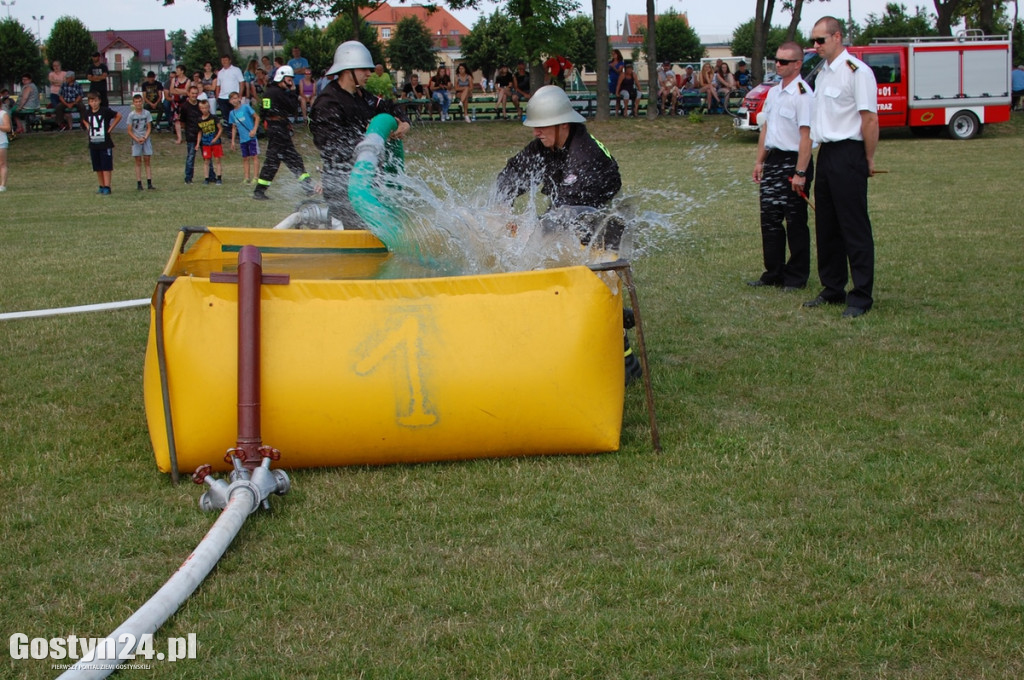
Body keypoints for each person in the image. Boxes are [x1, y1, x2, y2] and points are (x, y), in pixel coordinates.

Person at [496, 86, 639, 383]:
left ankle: (626, 366)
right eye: (533, 126)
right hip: (569, 215)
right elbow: (512, 174)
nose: (535, 132)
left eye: (541, 126)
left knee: (591, 288)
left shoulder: (585, 158)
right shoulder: (547, 143)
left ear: (563, 124)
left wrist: (527, 232)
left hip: (603, 226)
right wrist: (502, 206)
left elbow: (562, 219)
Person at [804, 16, 879, 319]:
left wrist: (868, 158)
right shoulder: (822, 73)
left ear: (837, 37)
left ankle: (860, 295)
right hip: (827, 154)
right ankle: (832, 287)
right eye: (813, 40)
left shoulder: (857, 72)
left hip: (849, 152)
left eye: (820, 40)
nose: (815, 46)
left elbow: (870, 119)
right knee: (827, 225)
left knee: (853, 226)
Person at [309, 40, 410, 223]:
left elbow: (390, 107)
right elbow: (332, 146)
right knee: (360, 230)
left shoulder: (363, 97)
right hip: (344, 187)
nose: (369, 74)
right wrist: (367, 138)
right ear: (349, 71)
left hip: (371, 178)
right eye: (364, 69)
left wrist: (403, 123)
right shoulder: (328, 103)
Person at [748, 41, 815, 291]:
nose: (778, 64)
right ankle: (773, 272)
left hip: (795, 160)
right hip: (774, 159)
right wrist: (759, 161)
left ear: (798, 64)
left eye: (784, 61)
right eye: (776, 60)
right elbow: (767, 128)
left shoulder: (803, 94)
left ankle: (796, 277)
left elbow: (806, 136)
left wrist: (800, 172)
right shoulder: (774, 92)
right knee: (770, 219)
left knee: (795, 220)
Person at [253, 65, 314, 200]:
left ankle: (307, 186)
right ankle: (259, 191)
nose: (291, 82)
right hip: (278, 129)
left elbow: (263, 111)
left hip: (277, 127)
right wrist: (293, 92)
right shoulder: (278, 93)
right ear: (281, 77)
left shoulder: (270, 92)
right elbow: (292, 107)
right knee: (274, 160)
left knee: (292, 158)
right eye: (289, 79)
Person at [84, 91, 122, 195]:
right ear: (89, 102)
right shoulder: (88, 113)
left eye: (96, 101)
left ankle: (107, 186)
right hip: (93, 143)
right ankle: (101, 185)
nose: (94, 103)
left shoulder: (105, 111)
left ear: (99, 101)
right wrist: (88, 128)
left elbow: (118, 115)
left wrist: (110, 128)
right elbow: (84, 120)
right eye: (91, 101)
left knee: (106, 166)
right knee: (98, 167)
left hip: (105, 143)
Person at [228, 91, 261, 184]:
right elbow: (234, 127)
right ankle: (246, 177)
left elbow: (257, 117)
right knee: (245, 158)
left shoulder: (246, 107)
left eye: (235, 98)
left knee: (254, 156)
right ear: (230, 101)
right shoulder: (232, 113)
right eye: (232, 99)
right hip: (242, 139)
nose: (234, 100)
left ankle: (255, 177)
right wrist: (233, 141)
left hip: (251, 137)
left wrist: (254, 129)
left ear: (239, 98)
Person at [126, 94, 156, 191]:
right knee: (138, 161)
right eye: (136, 102)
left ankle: (149, 182)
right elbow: (129, 130)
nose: (138, 104)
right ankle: (139, 183)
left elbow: (149, 127)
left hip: (145, 138)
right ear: (133, 103)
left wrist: (145, 137)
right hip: (136, 140)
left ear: (142, 102)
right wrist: (136, 139)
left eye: (140, 101)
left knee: (147, 160)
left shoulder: (146, 113)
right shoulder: (131, 115)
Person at [179, 85, 205, 184]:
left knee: (206, 156)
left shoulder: (200, 104)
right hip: (190, 134)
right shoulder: (185, 106)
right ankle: (188, 177)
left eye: (196, 93)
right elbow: (182, 122)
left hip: (203, 133)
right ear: (188, 94)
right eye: (192, 93)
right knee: (191, 156)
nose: (194, 95)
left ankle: (210, 175)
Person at [196, 98, 224, 185]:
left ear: (208, 108)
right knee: (206, 161)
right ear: (200, 109)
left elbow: (220, 129)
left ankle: (219, 177)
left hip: (215, 142)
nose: (204, 110)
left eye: (206, 108)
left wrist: (216, 138)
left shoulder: (214, 118)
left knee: (217, 160)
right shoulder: (199, 120)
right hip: (205, 143)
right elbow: (200, 132)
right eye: (202, 108)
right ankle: (206, 178)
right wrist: (197, 143)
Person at [216, 54, 246, 125]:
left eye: (226, 60)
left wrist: (240, 95)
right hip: (222, 97)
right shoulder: (220, 72)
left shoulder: (236, 70)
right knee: (226, 117)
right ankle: (229, 132)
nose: (224, 62)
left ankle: (238, 131)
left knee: (237, 115)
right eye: (222, 60)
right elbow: (218, 85)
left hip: (233, 97)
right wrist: (217, 96)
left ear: (230, 61)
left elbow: (241, 82)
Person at [168, 66, 190, 143]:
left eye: (178, 70)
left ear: (182, 71)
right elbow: (171, 91)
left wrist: (176, 89)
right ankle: (179, 138)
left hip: (184, 102)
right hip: (176, 102)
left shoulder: (188, 80)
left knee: (185, 119)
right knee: (176, 120)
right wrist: (181, 91)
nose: (176, 71)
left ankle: (188, 136)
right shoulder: (174, 79)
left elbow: (186, 92)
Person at [0, 100, 10, 192]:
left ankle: (2, 185)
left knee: (2, 163)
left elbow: (7, 128)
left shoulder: (3, 114)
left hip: (1, 141)